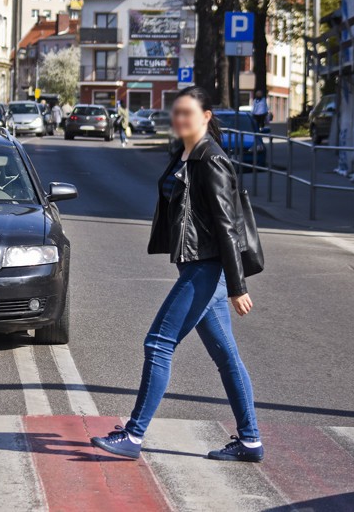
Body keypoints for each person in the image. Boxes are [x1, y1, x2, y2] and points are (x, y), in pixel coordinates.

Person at [91, 85, 263, 463]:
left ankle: (134, 434)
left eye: (188, 113)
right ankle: (250, 440)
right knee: (227, 356)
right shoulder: (184, 154)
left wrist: (237, 286)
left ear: (206, 117)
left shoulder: (210, 160)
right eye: (177, 113)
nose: (180, 119)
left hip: (206, 268)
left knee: (158, 343)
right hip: (198, 266)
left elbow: (226, 226)